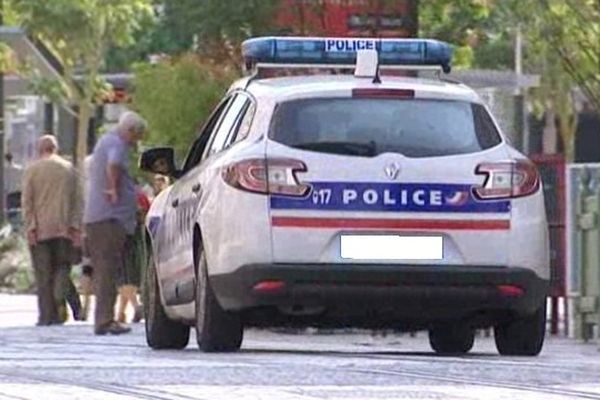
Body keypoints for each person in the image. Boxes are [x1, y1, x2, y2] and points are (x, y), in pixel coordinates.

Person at [83, 111, 147, 335]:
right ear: (130, 131)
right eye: (136, 137)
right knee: (108, 271)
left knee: (105, 270)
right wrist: (112, 188)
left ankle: (104, 319)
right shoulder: (117, 144)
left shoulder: (106, 141)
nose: (135, 142)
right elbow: (114, 165)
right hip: (109, 220)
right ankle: (105, 321)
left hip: (101, 219)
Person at [21, 135, 83, 325]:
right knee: (62, 267)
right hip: (64, 229)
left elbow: (27, 201)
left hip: (40, 231)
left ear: (40, 150)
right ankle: (65, 301)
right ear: (55, 148)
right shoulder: (68, 169)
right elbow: (77, 200)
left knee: (43, 275)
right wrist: (75, 227)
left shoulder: (32, 170)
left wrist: (30, 227)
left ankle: (47, 316)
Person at [116, 186, 150, 323]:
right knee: (128, 275)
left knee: (122, 277)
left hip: (120, 235)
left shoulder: (116, 192)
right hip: (135, 235)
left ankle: (136, 307)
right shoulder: (138, 194)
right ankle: (121, 313)